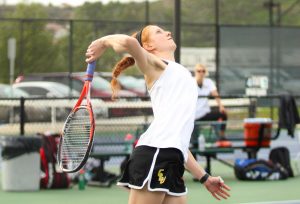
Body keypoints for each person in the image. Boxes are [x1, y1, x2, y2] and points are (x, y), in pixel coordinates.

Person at [85, 25, 230, 204]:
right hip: (155, 154)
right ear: (148, 47)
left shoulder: (179, 72)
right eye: (159, 32)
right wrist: (102, 42)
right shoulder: (156, 66)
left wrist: (204, 177)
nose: (168, 32)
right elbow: (129, 42)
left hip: (172, 158)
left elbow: (178, 142)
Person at [192, 64, 231, 147]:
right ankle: (194, 145)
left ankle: (221, 137)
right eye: (199, 71)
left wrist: (221, 106)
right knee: (194, 142)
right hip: (193, 115)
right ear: (195, 72)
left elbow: (215, 94)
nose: (201, 73)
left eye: (203, 71)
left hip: (205, 113)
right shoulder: (190, 82)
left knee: (223, 114)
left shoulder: (208, 82)